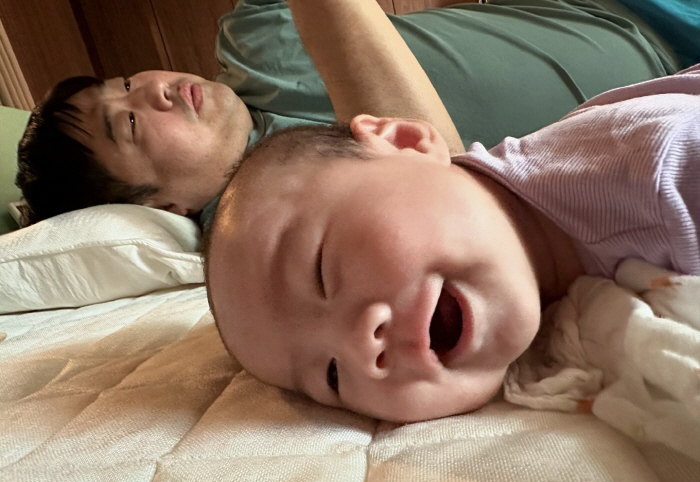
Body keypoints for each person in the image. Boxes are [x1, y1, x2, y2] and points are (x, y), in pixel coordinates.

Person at [204, 0, 699, 422]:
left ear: (407, 140)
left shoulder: (655, 174)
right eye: (331, 375)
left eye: (322, 270)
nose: (362, 348)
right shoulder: (513, 245)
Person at [15, 0, 680, 225]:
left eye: (129, 80)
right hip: (675, 120)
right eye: (128, 122)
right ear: (163, 209)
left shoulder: (249, 34)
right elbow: (440, 193)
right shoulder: (286, 211)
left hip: (633, 13)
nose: (154, 87)